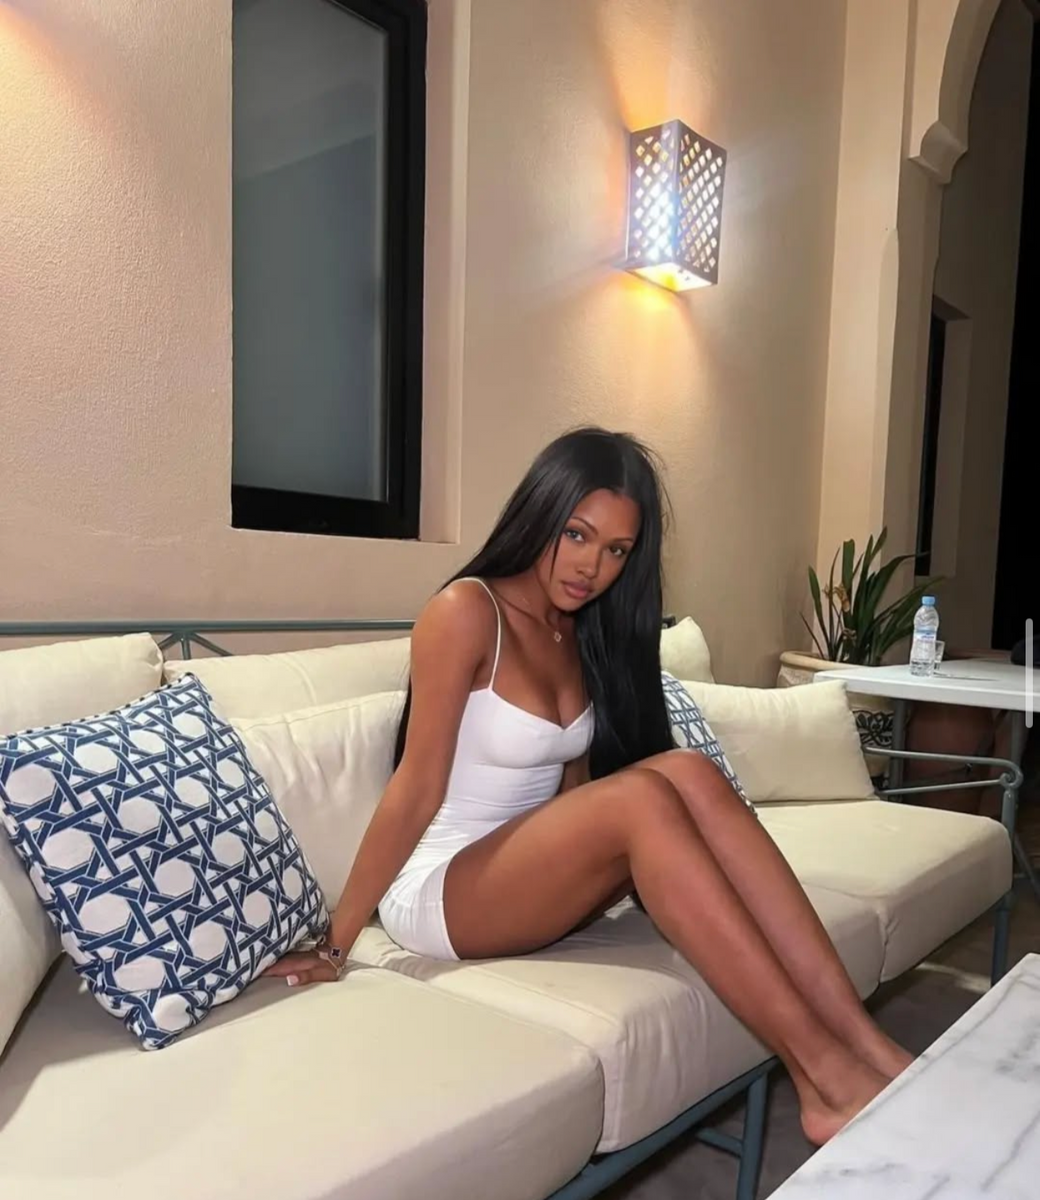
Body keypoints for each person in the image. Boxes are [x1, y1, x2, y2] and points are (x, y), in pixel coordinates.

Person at [267, 426, 912, 1144]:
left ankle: (869, 1047)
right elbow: (415, 789)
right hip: (442, 891)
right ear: (539, 513)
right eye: (577, 535)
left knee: (688, 770)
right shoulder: (465, 613)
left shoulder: (580, 629)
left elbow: (572, 793)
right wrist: (336, 944)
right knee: (644, 796)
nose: (591, 567)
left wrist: (642, 865)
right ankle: (824, 1076)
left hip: (525, 876)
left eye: (616, 550)